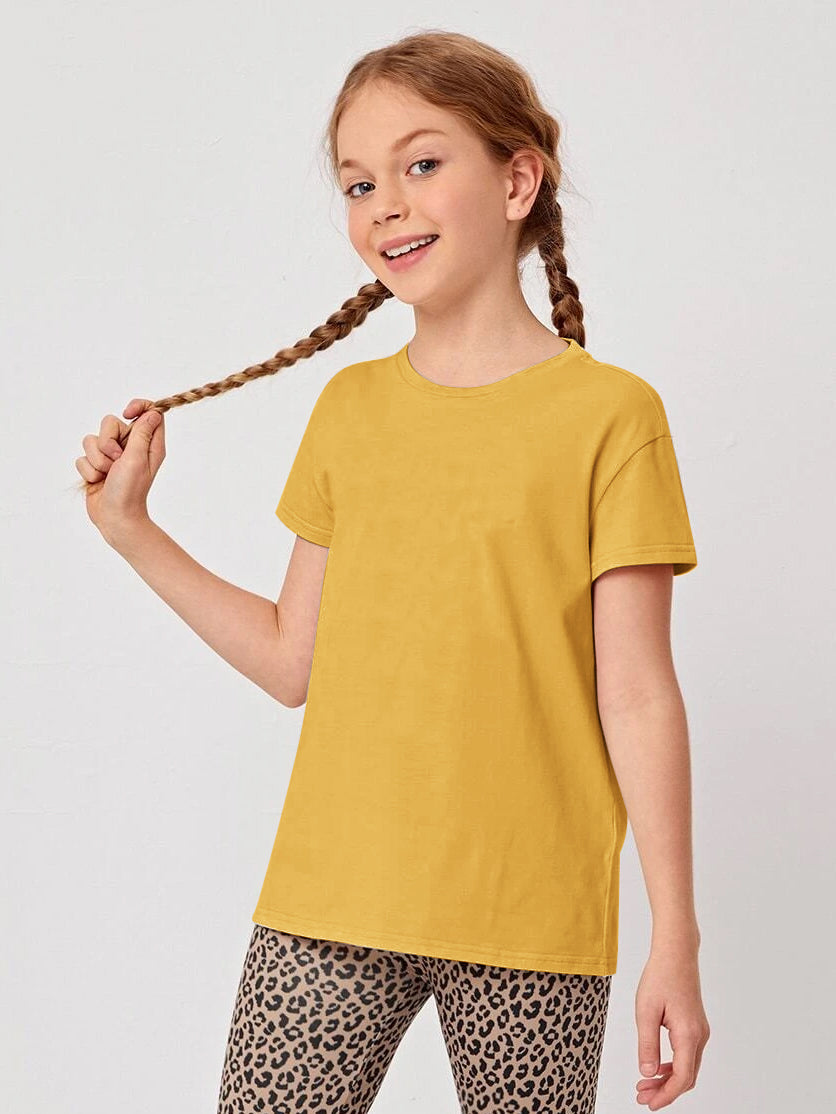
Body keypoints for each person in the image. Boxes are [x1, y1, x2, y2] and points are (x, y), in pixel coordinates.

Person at [74, 28, 710, 1114]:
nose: (385, 206)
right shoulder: (350, 411)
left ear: (516, 181)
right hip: (331, 896)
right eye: (360, 182)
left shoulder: (610, 417)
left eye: (421, 164)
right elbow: (292, 660)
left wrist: (675, 940)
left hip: (529, 915)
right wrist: (131, 529)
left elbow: (638, 692)